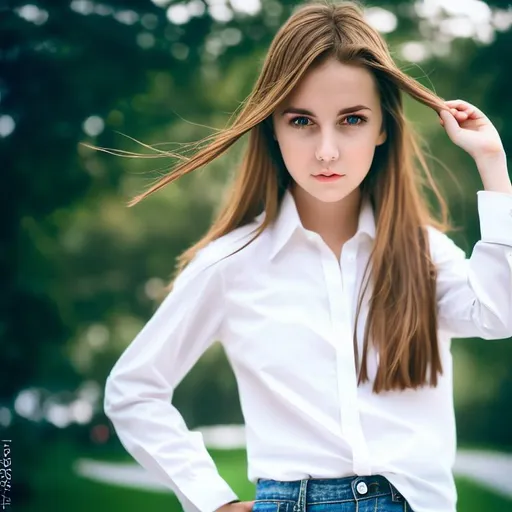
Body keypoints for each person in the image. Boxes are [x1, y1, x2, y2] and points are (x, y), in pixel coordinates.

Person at [102, 1, 512, 511]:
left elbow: (501, 313)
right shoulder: (230, 264)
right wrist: (212, 501)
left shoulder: (423, 252)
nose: (326, 151)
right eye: (301, 121)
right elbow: (133, 390)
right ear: (272, 126)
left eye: (352, 119)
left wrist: (493, 164)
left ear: (383, 126)